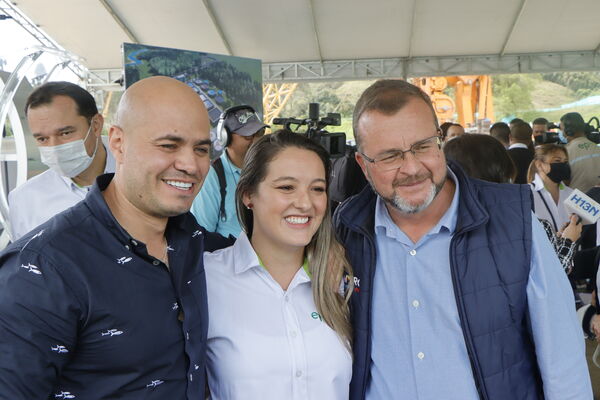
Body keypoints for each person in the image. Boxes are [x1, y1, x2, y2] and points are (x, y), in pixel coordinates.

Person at [333, 79, 592, 399]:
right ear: (363, 164)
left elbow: (562, 357)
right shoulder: (346, 230)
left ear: (439, 140)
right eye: (390, 156)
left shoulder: (515, 222)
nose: (412, 168)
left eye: (422, 146)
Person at [0, 76, 232, 399]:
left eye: (201, 149)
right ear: (119, 142)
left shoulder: (189, 238)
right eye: (168, 145)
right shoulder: (41, 268)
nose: (190, 164)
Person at [204, 130, 353, 399]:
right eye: (286, 187)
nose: (305, 203)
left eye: (317, 189)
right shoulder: (206, 278)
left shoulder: (344, 278)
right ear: (248, 195)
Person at [444, 134, 581, 273]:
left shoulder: (439, 227)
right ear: (504, 169)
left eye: (565, 161)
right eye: (557, 160)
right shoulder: (525, 222)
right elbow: (551, 274)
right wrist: (568, 241)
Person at [8, 81, 115, 240]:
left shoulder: (142, 176)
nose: (54, 147)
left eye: (65, 133)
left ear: (96, 126)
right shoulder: (25, 200)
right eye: (42, 139)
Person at [191, 105, 267, 238]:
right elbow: (202, 236)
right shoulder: (212, 177)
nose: (256, 141)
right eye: (248, 136)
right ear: (226, 137)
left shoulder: (269, 170)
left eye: (259, 134)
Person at [527, 144, 574, 233]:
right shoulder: (528, 193)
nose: (562, 165)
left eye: (565, 162)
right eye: (557, 161)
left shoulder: (572, 194)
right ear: (539, 165)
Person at [561, 112, 600, 192]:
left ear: (568, 131)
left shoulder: (564, 153)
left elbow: (562, 185)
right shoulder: (597, 148)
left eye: (562, 129)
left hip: (576, 202)